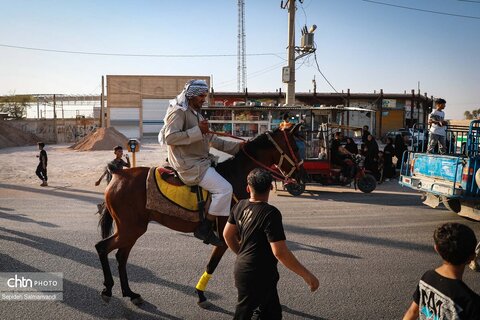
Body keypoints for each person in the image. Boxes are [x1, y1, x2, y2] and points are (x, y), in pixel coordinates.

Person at [223, 168, 319, 320]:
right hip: (257, 276)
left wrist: (242, 254)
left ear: (248, 188)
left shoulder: (239, 206)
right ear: (271, 188)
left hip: (249, 271)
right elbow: (280, 252)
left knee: (272, 314)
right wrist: (307, 275)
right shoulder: (270, 213)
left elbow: (227, 235)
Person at [159, 79, 242, 246]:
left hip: (202, 161)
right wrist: (198, 131)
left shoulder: (197, 113)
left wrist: (240, 148)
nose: (204, 99)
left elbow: (212, 139)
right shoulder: (178, 112)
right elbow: (169, 138)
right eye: (201, 96)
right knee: (225, 189)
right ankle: (205, 227)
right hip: (189, 164)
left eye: (205, 95)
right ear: (191, 96)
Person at [402, 223, 480, 320]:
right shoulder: (471, 303)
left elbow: (412, 312)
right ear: (472, 258)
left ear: (437, 249)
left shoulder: (427, 278)